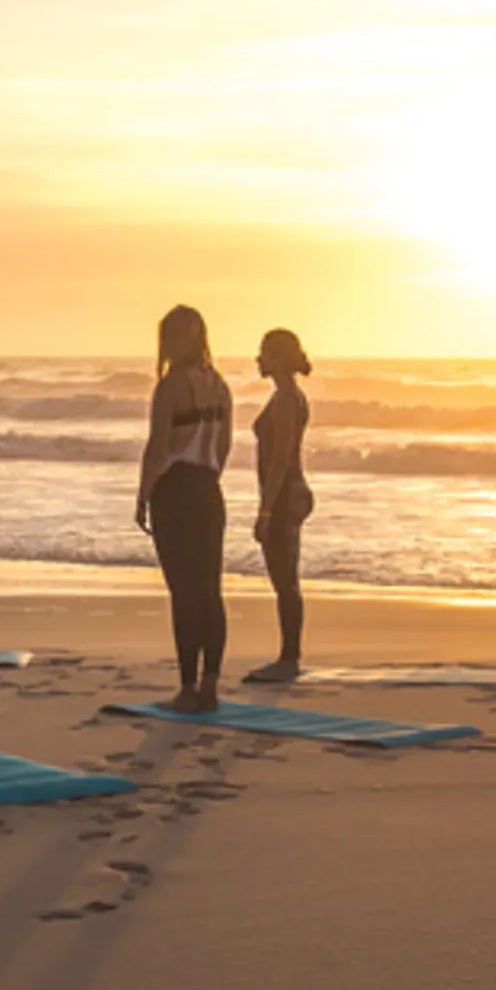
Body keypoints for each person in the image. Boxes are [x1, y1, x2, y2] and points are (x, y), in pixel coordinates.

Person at [135, 304, 232, 713]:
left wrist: (142, 494)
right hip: (209, 488)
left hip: (175, 490)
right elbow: (224, 446)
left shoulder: (171, 386)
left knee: (183, 592)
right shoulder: (221, 386)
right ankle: (211, 682)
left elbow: (158, 445)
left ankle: (188, 687)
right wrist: (209, 478)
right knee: (210, 588)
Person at [244, 327, 314, 686]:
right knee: (285, 577)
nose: (259, 359)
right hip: (290, 492)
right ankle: (289, 654)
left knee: (284, 579)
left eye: (265, 353)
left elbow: (282, 458)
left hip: (286, 494)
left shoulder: (287, 399)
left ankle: (289, 658)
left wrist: (266, 510)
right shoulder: (288, 396)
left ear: (279, 358)